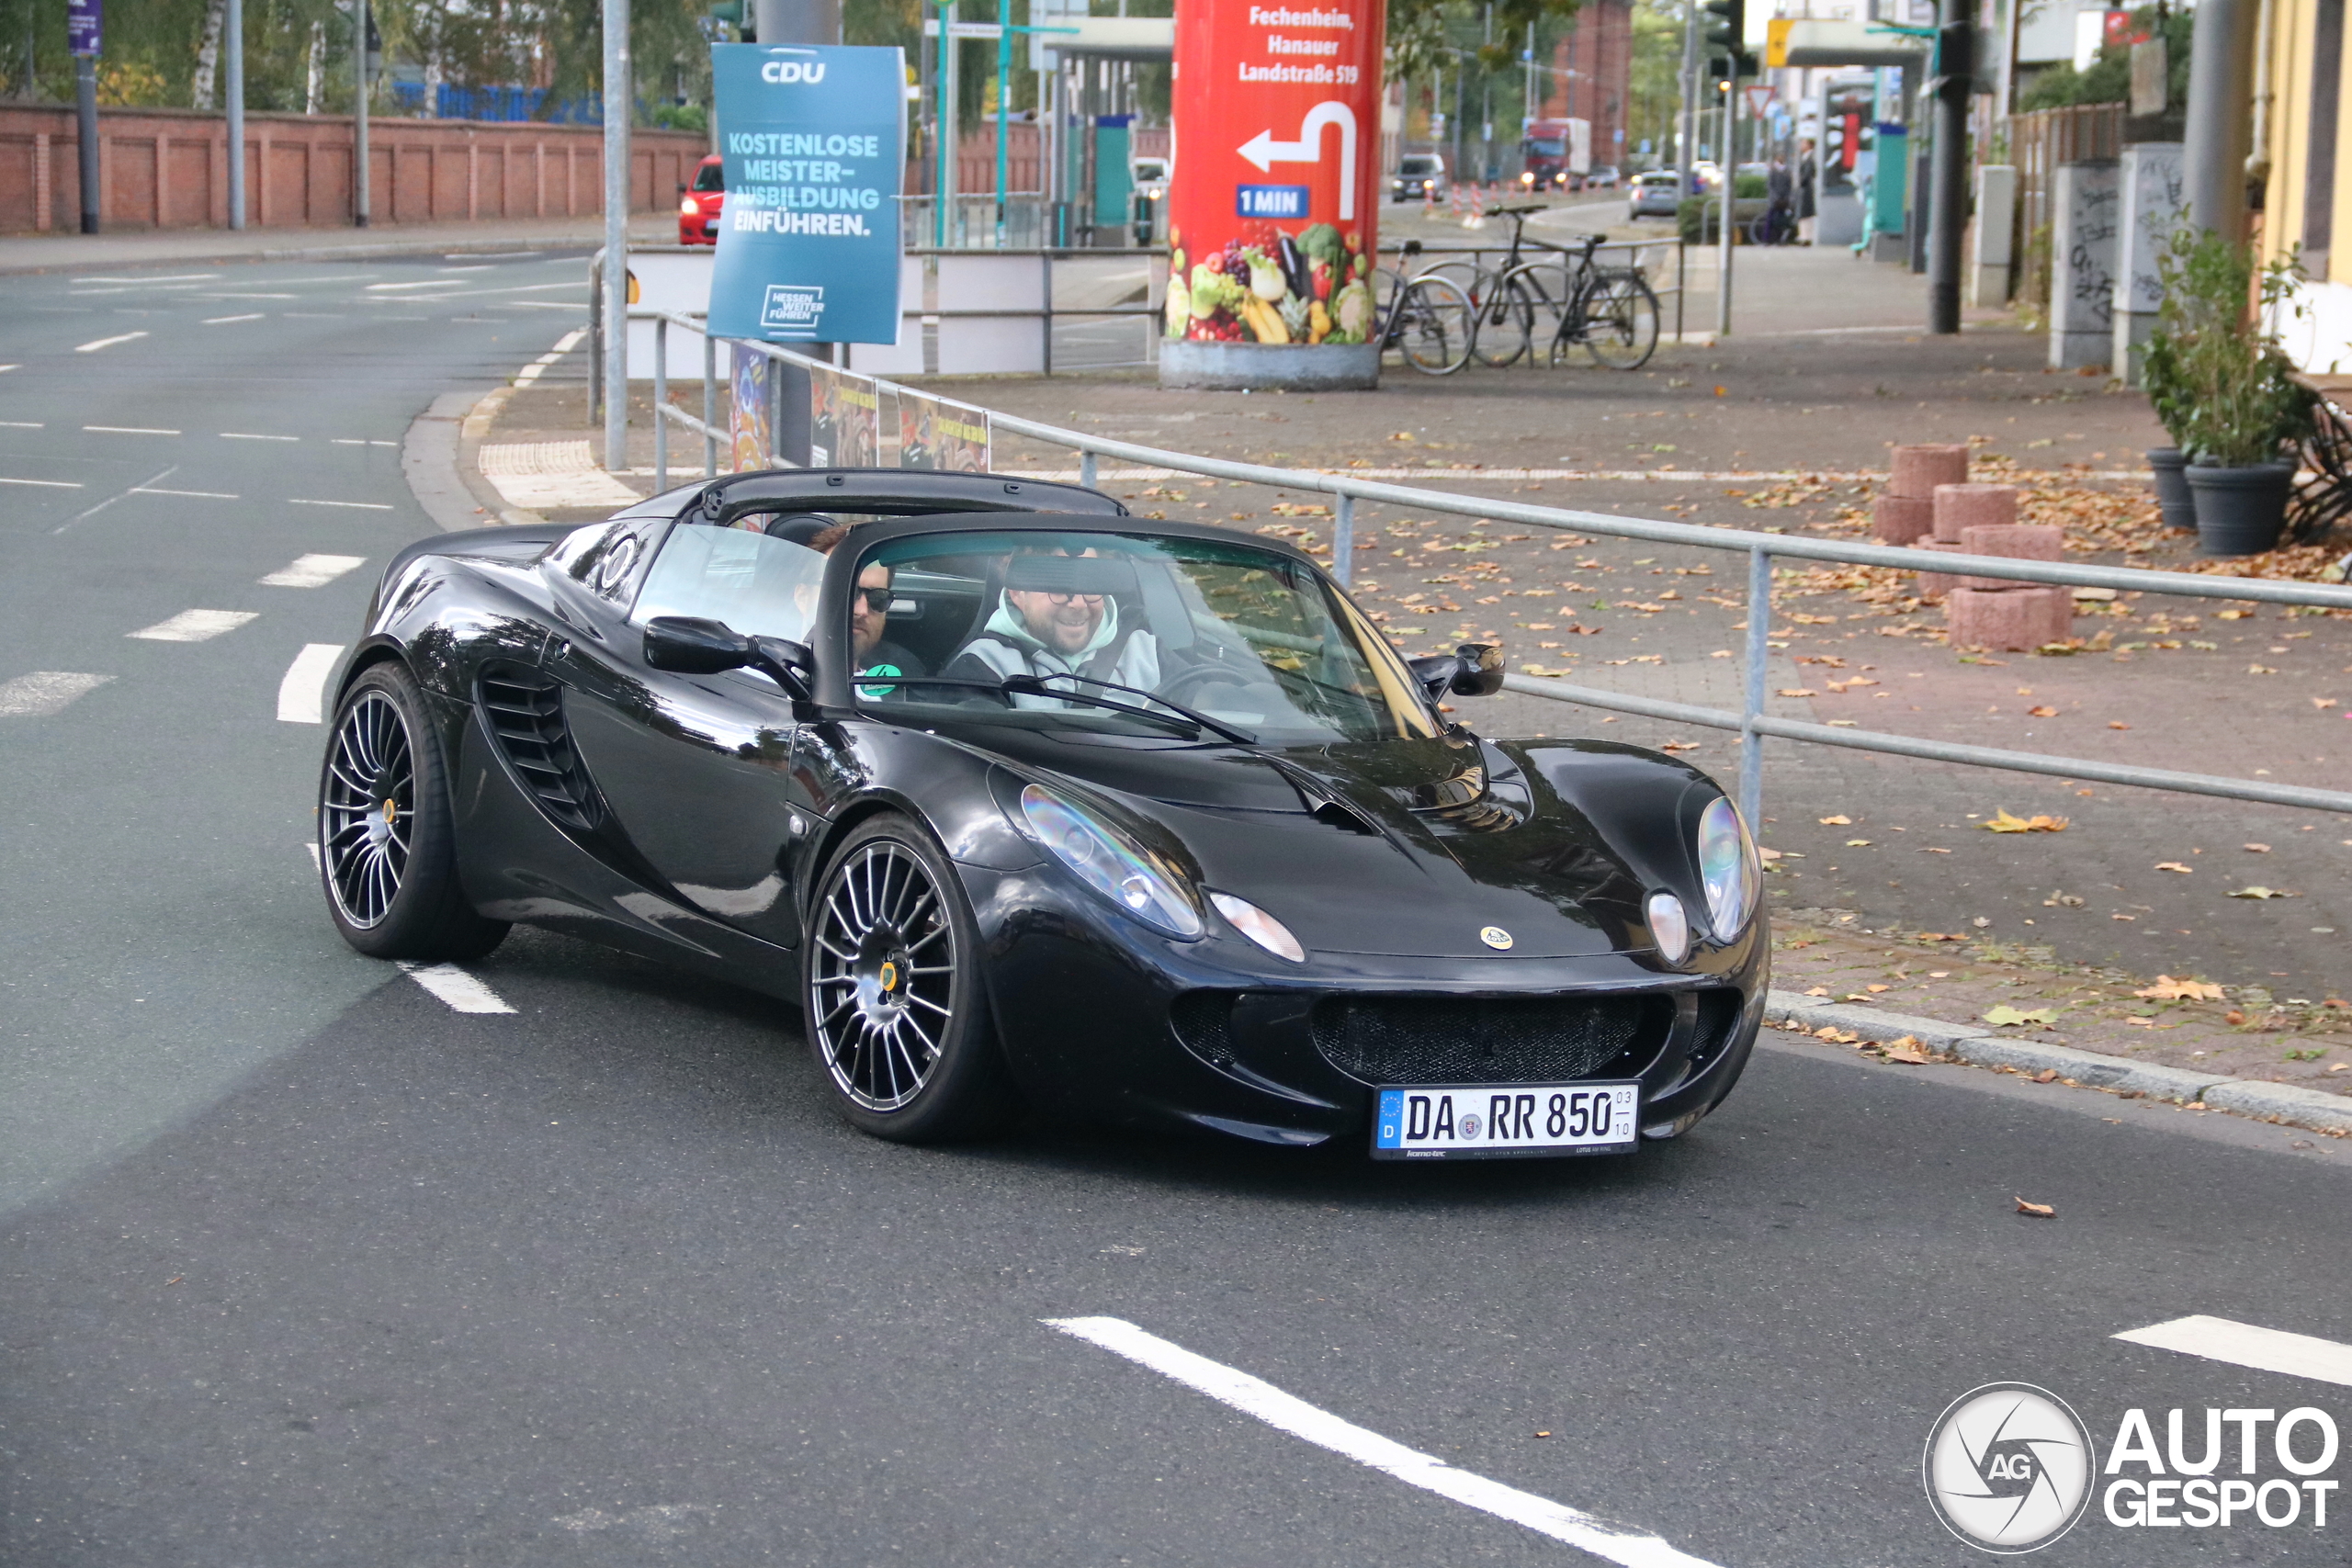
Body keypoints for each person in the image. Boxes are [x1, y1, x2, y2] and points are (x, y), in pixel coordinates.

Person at [943, 548, 1159, 708]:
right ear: (1017, 593)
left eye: (1090, 584)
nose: (1078, 603)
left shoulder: (1149, 651)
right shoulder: (983, 664)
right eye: (1057, 587)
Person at [806, 523, 927, 701]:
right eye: (845, 593)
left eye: (878, 597)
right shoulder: (762, 675)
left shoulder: (905, 676)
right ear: (802, 597)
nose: (861, 611)